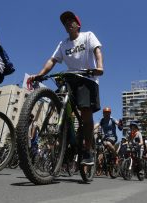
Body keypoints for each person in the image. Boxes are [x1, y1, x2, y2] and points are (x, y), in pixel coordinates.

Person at [28, 11, 103, 165]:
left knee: (86, 114)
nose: (68, 23)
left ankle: (88, 150)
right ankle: (65, 133)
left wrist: (99, 66)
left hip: (86, 78)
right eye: (65, 22)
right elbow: (52, 60)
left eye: (71, 20)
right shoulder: (63, 44)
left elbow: (97, 50)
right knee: (60, 98)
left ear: (78, 24)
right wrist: (40, 74)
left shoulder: (88, 36)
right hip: (70, 78)